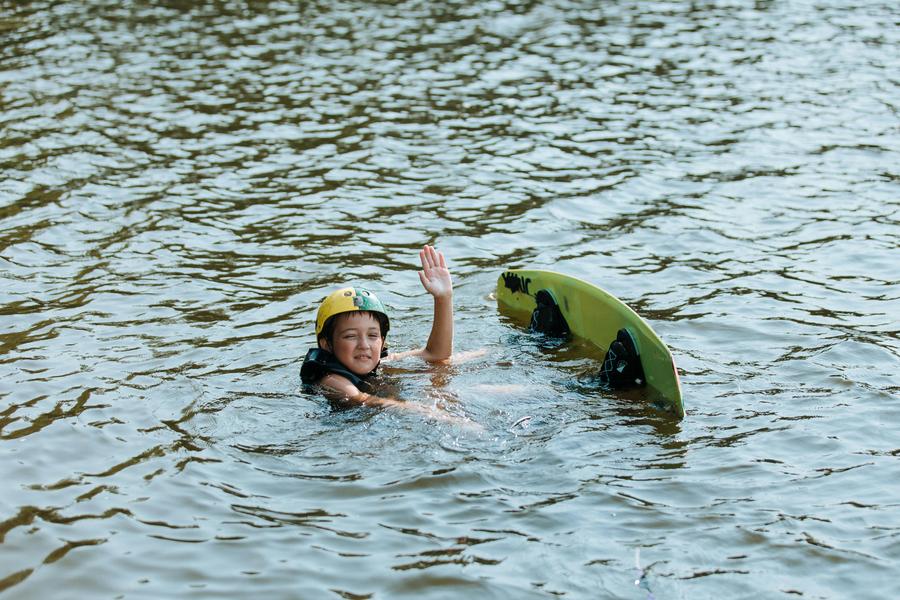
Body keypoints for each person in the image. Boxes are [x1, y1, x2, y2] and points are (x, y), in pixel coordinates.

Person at [300, 245, 461, 420]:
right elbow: (360, 398)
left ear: (382, 341)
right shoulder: (331, 380)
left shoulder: (381, 363)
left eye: (372, 335)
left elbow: (436, 354)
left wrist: (443, 298)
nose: (364, 345)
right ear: (327, 344)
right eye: (351, 336)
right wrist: (424, 411)